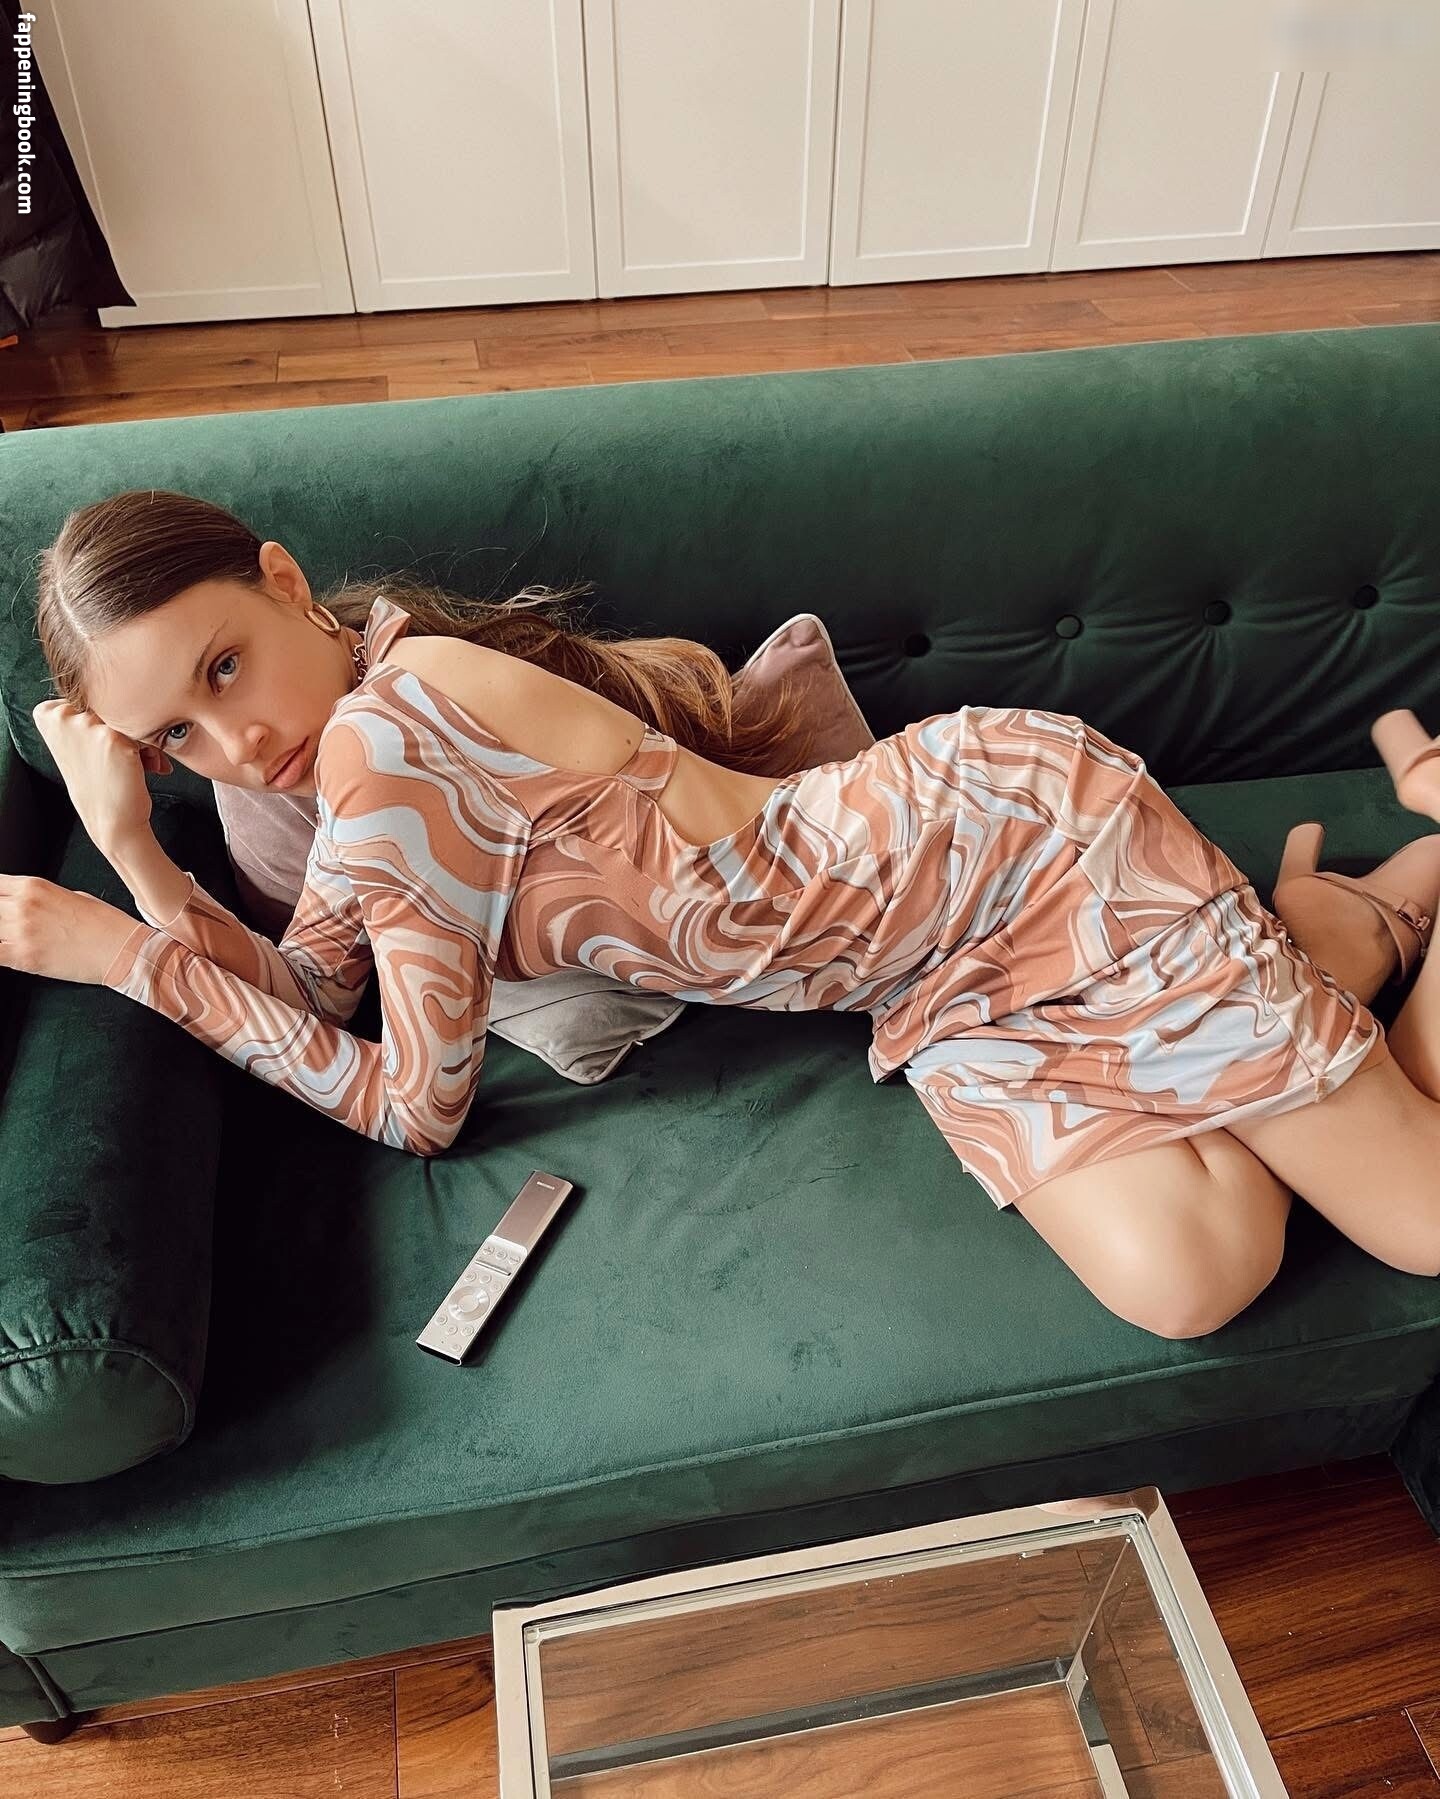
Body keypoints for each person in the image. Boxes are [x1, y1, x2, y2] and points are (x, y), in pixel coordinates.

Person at [7, 488, 1440, 1344]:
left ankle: (1339, 930)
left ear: (284, 582)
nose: (237, 742)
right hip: (932, 974)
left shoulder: (389, 745)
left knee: (1425, 1227)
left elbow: (413, 1109)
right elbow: (318, 990)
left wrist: (130, 961)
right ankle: (1326, 941)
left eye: (225, 667)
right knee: (1193, 1277)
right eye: (178, 736)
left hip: (1021, 849)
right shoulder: (355, 754)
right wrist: (135, 855)